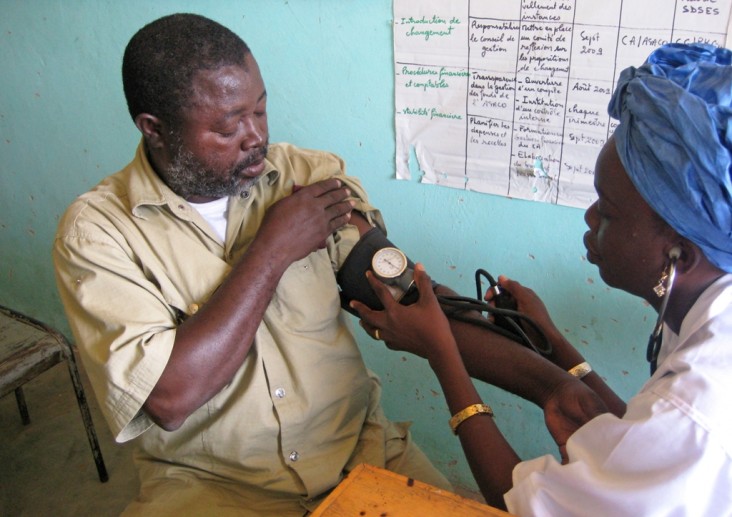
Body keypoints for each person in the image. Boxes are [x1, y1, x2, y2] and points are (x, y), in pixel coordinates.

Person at [52, 13, 455, 516]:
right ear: (154, 129)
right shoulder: (97, 233)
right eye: (227, 126)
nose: (255, 138)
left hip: (360, 449)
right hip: (211, 489)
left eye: (260, 111)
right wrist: (272, 248)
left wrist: (552, 371)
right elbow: (170, 397)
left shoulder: (303, 176)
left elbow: (396, 292)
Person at [352, 42, 732, 515]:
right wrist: (555, 344)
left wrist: (440, 354)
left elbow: (523, 504)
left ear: (681, 253)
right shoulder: (713, 304)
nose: (590, 219)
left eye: (608, 214)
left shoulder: (694, 411)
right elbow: (630, 435)